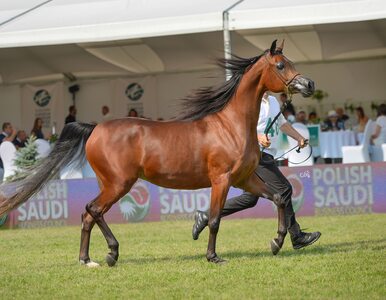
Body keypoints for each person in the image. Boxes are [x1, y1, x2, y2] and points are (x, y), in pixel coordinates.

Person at [192, 93, 321, 250]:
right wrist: (258, 137)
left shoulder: (273, 101)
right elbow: (237, 127)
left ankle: (205, 216)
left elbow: (281, 123)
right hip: (254, 154)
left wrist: (299, 137)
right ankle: (296, 236)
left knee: (250, 198)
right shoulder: (250, 99)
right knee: (284, 189)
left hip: (267, 154)